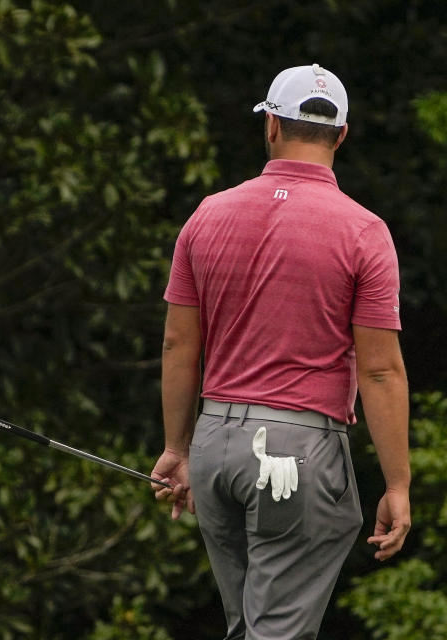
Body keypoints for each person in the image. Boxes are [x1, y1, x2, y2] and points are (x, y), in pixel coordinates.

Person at [150, 64, 411, 639]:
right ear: (341, 135)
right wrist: (397, 484)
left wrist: (177, 446)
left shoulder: (207, 215)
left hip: (216, 444)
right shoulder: (365, 232)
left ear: (270, 125)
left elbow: (178, 343)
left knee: (250, 627)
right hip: (297, 457)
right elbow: (380, 369)